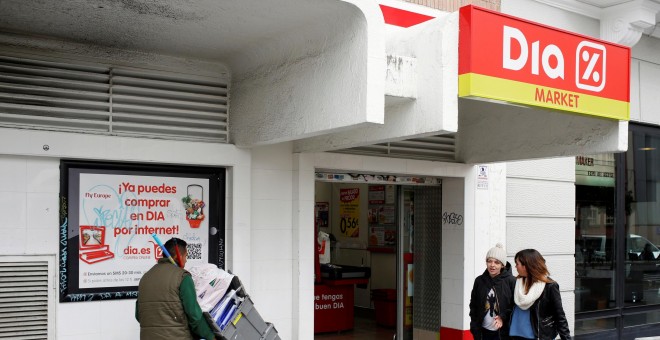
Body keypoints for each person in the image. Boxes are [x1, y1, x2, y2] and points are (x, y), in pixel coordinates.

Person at [136, 237, 217, 340]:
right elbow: (194, 316)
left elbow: (138, 315)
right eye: (185, 256)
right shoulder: (183, 277)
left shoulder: (145, 278)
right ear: (177, 256)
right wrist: (210, 336)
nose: (186, 260)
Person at [510, 249, 571, 340]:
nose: (515, 266)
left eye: (517, 264)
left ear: (526, 266)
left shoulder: (550, 286)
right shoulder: (516, 283)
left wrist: (566, 338)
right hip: (516, 334)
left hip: (538, 335)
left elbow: (559, 316)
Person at [470, 243, 516, 340]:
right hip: (482, 332)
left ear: (503, 265)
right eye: (489, 261)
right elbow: (473, 304)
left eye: (497, 262)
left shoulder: (511, 281)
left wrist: (503, 317)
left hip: (503, 333)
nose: (492, 265)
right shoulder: (479, 281)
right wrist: (474, 325)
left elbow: (514, 306)